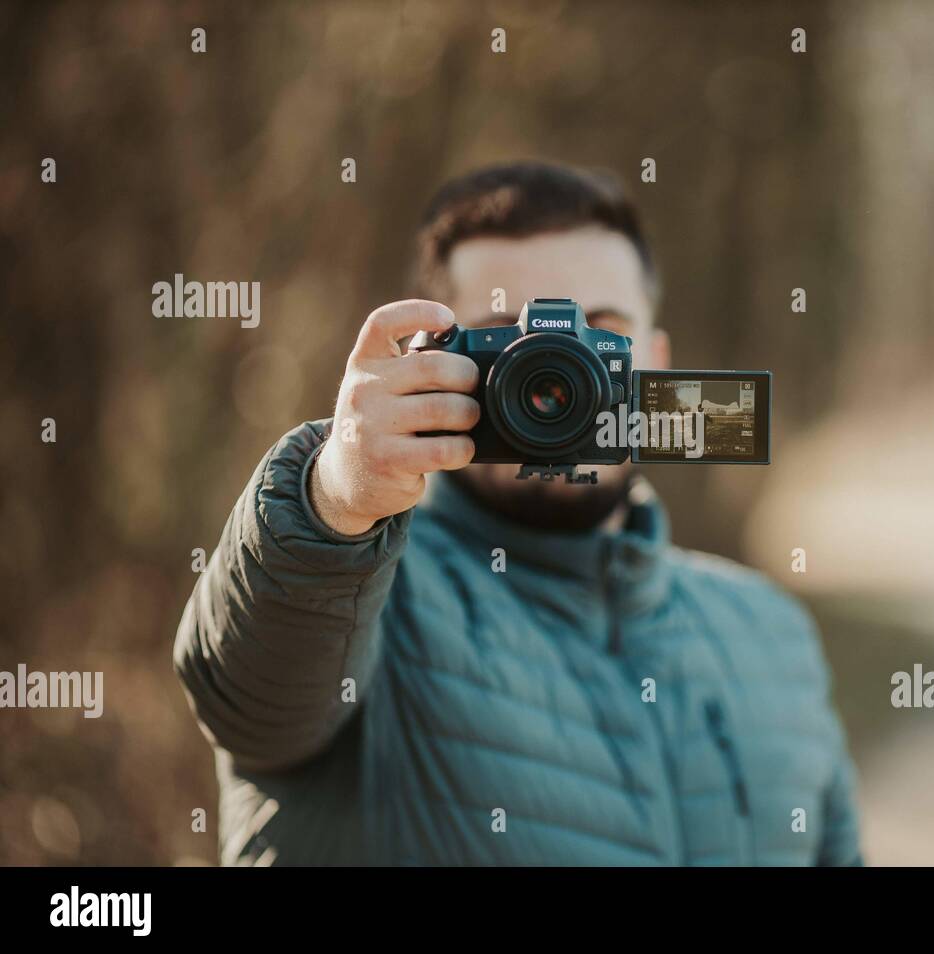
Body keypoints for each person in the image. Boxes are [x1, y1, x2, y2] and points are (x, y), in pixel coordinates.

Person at [174, 160, 863, 865]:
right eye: (512, 339)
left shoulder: (772, 635)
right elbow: (244, 701)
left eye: (603, 334)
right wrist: (333, 496)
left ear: (657, 368)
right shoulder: (360, 598)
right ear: (432, 367)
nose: (563, 375)